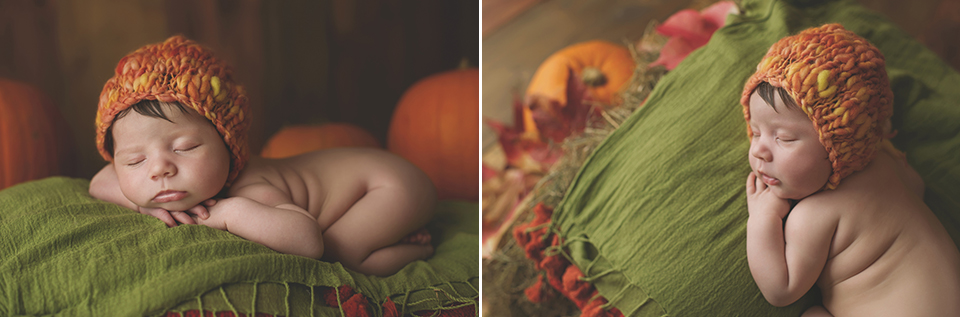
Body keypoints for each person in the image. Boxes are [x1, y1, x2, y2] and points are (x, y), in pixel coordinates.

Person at [89, 35, 436, 277]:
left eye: (185, 148)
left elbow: (308, 241)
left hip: (389, 187)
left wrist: (229, 212)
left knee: (338, 254)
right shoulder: (148, 178)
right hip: (371, 174)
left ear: (229, 144)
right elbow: (100, 181)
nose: (160, 168)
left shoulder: (250, 187)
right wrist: (144, 203)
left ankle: (417, 249)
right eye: (135, 160)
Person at [742, 24, 960, 316]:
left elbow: (780, 290)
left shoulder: (812, 217)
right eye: (755, 133)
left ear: (839, 138)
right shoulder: (889, 163)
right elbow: (917, 185)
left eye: (784, 138)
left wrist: (762, 217)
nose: (758, 150)